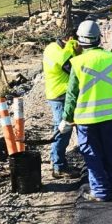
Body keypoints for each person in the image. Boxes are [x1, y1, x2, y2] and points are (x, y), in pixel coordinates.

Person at [61, 20, 112, 202]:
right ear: (98, 38)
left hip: (86, 120)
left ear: (80, 39)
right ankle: (111, 180)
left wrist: (66, 118)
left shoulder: (77, 63)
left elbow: (71, 95)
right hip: (110, 116)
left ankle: (100, 190)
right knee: (109, 149)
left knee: (92, 153)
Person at [43, 32, 82, 178]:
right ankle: (58, 166)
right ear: (71, 39)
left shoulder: (52, 47)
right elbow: (74, 69)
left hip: (58, 94)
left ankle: (57, 162)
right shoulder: (57, 52)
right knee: (63, 129)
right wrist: (77, 52)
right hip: (61, 96)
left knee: (61, 128)